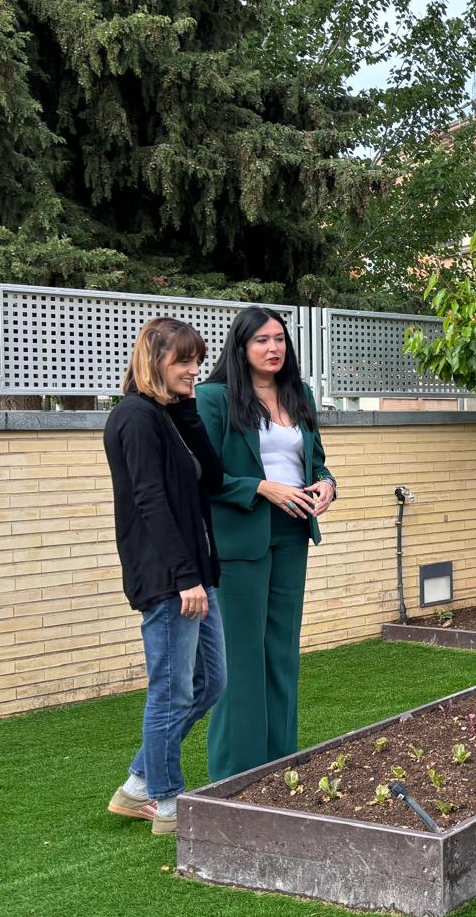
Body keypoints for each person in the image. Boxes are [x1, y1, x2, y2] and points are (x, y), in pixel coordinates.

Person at [197, 307, 336, 779]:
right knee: (241, 660)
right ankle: (236, 777)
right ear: (241, 347)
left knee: (281, 652)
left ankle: (281, 768)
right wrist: (260, 487)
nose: (273, 348)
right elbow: (203, 475)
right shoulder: (212, 398)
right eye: (261, 340)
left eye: (279, 339)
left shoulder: (299, 395)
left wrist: (326, 483)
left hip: (292, 534)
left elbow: (315, 459)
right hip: (239, 539)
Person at [103, 318, 227, 835]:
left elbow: (213, 478)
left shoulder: (169, 415)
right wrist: (183, 578)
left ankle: (137, 784)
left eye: (197, 359)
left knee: (211, 683)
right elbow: (148, 500)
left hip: (195, 573)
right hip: (169, 579)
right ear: (154, 360)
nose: (194, 368)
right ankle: (167, 801)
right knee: (171, 691)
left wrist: (191, 407)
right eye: (183, 361)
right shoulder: (134, 417)